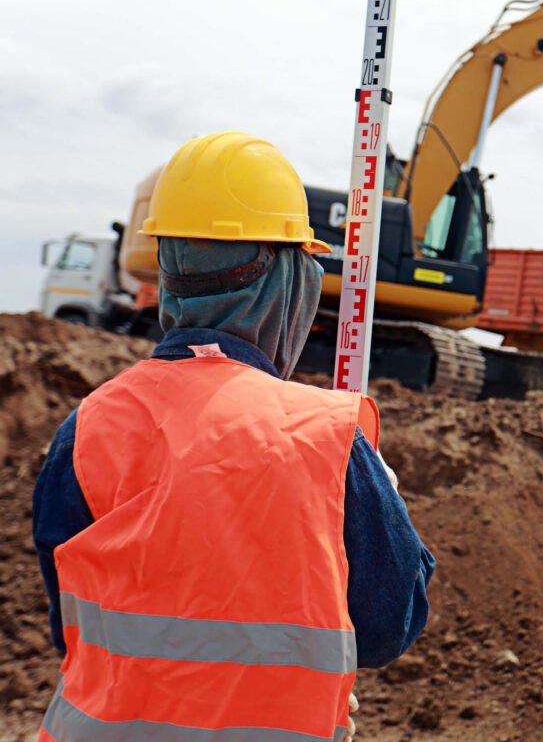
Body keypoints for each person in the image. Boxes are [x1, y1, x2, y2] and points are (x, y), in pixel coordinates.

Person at [32, 131, 434, 741]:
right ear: (287, 278)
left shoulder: (86, 429)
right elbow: (386, 626)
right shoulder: (327, 440)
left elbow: (77, 625)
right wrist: (387, 498)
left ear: (166, 270)